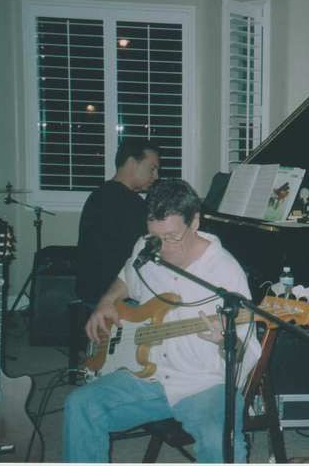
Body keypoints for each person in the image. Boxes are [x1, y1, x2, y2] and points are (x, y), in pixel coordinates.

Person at [63, 179, 262, 463]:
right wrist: (107, 301)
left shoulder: (225, 272)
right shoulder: (147, 247)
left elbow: (245, 349)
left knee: (221, 442)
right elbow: (127, 276)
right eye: (155, 236)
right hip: (149, 376)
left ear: (195, 221)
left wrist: (224, 342)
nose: (162, 248)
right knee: (79, 404)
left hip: (203, 385)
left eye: (171, 237)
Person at [75, 138, 160, 305]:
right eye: (152, 168)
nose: (156, 176)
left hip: (89, 293)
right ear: (131, 163)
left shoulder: (99, 194)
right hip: (113, 299)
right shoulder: (130, 203)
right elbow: (147, 252)